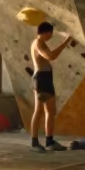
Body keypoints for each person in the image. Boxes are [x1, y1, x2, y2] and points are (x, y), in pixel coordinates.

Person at [29, 21, 73, 152]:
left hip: (45, 78)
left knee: (50, 111)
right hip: (41, 79)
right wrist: (65, 42)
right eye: (50, 34)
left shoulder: (41, 43)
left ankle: (49, 140)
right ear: (46, 32)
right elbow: (51, 56)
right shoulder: (38, 43)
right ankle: (35, 142)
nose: (51, 36)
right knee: (39, 111)